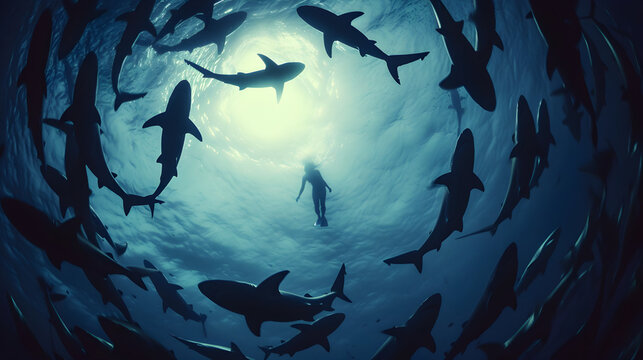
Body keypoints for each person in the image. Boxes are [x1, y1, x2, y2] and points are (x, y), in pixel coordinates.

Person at [296, 162, 332, 227]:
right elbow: (302, 187)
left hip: (322, 189)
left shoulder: (316, 172)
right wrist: (299, 195)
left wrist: (328, 187)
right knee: (316, 205)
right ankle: (319, 217)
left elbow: (322, 180)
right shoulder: (305, 176)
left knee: (322, 204)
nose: (305, 168)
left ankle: (322, 217)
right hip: (315, 190)